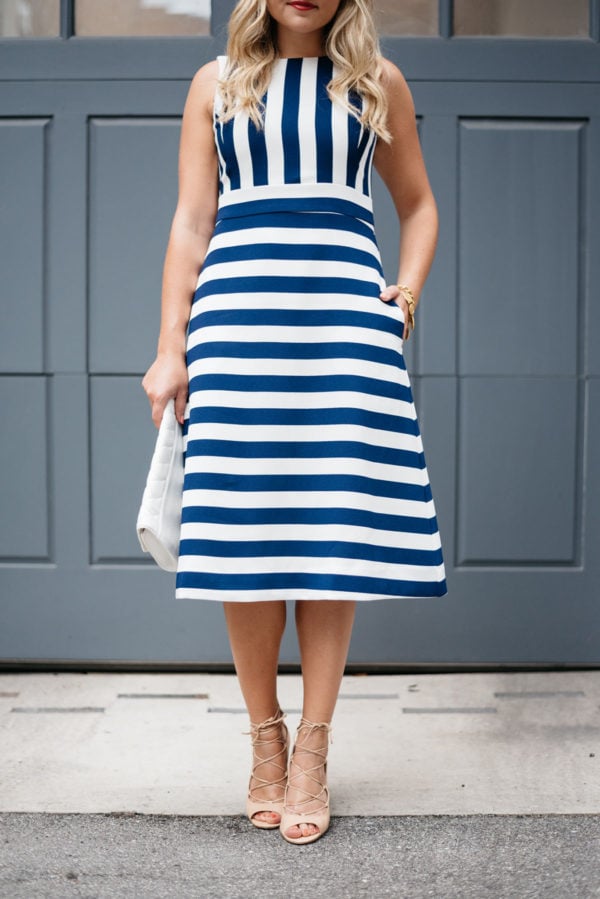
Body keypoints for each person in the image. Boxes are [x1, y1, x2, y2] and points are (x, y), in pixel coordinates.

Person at [141, 0, 447, 845]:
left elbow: (418, 206)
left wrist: (405, 296)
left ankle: (313, 744)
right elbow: (190, 222)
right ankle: (264, 738)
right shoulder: (217, 83)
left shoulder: (374, 83)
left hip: (341, 330)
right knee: (242, 537)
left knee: (331, 535)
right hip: (238, 328)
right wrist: (172, 346)